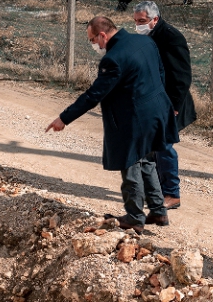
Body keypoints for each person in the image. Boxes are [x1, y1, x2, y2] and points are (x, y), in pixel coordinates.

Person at [46, 17, 178, 233]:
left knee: (131, 164)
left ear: (103, 35)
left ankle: (135, 216)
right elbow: (161, 73)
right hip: (157, 110)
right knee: (147, 160)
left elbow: (94, 95)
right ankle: (158, 211)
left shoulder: (113, 59)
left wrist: (64, 118)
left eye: (93, 40)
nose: (95, 46)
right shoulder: (144, 42)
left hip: (135, 118)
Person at [133, 1, 196, 211]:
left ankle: (171, 194)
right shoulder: (147, 36)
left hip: (169, 102)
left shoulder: (171, 38)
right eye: (136, 21)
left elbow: (182, 76)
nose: (138, 25)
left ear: (155, 19)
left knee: (163, 145)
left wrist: (174, 106)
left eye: (142, 21)